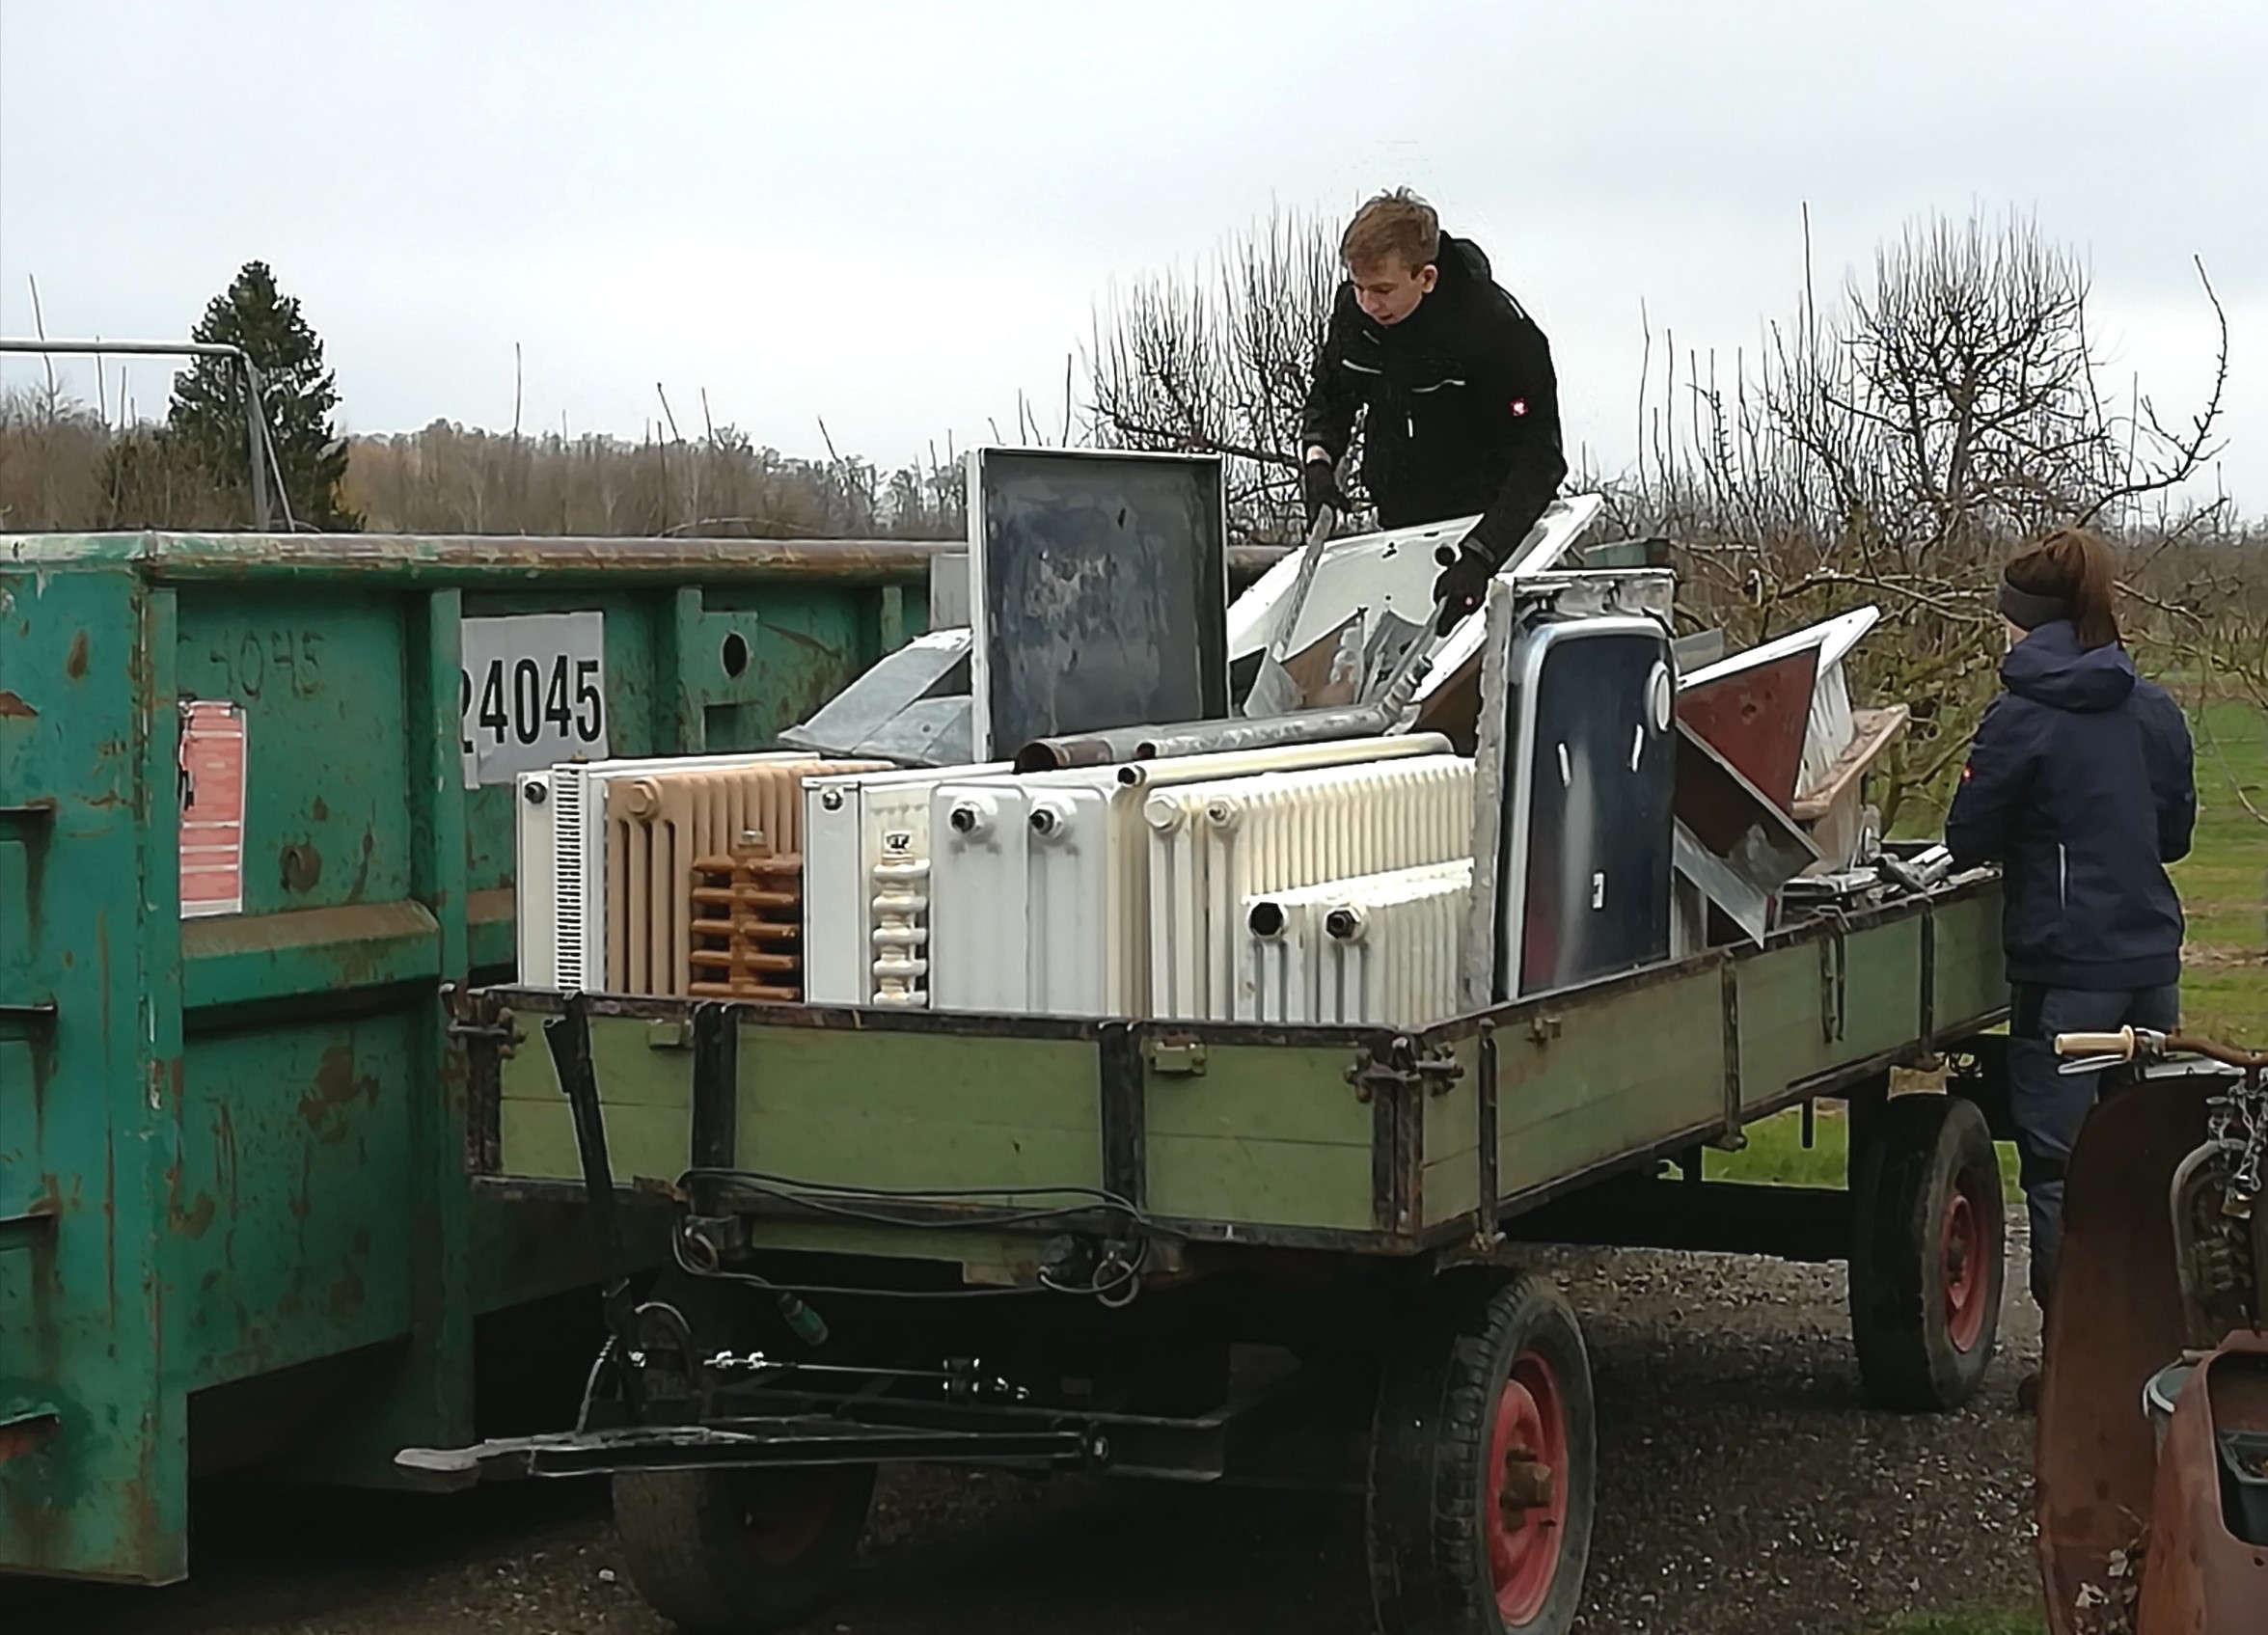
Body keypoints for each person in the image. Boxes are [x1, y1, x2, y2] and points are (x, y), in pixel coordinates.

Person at [1944, 528, 2196, 1353]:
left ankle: (2072, 1362)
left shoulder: (2020, 717)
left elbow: (1967, 836)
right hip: (2149, 962)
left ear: (2020, 620)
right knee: (2149, 1158)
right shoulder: (2153, 709)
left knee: (2060, 1169)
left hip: (2065, 970)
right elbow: (2174, 835)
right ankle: (2149, 1349)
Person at [1298, 189, 1568, 635]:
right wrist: (1319, 464)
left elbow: (1540, 457)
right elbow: (1330, 398)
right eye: (1358, 287)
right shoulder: (1355, 318)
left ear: (1425, 277)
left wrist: (1483, 553)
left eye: (1382, 290)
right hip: (1398, 527)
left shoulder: (1498, 331)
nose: (1369, 303)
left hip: (1492, 526)